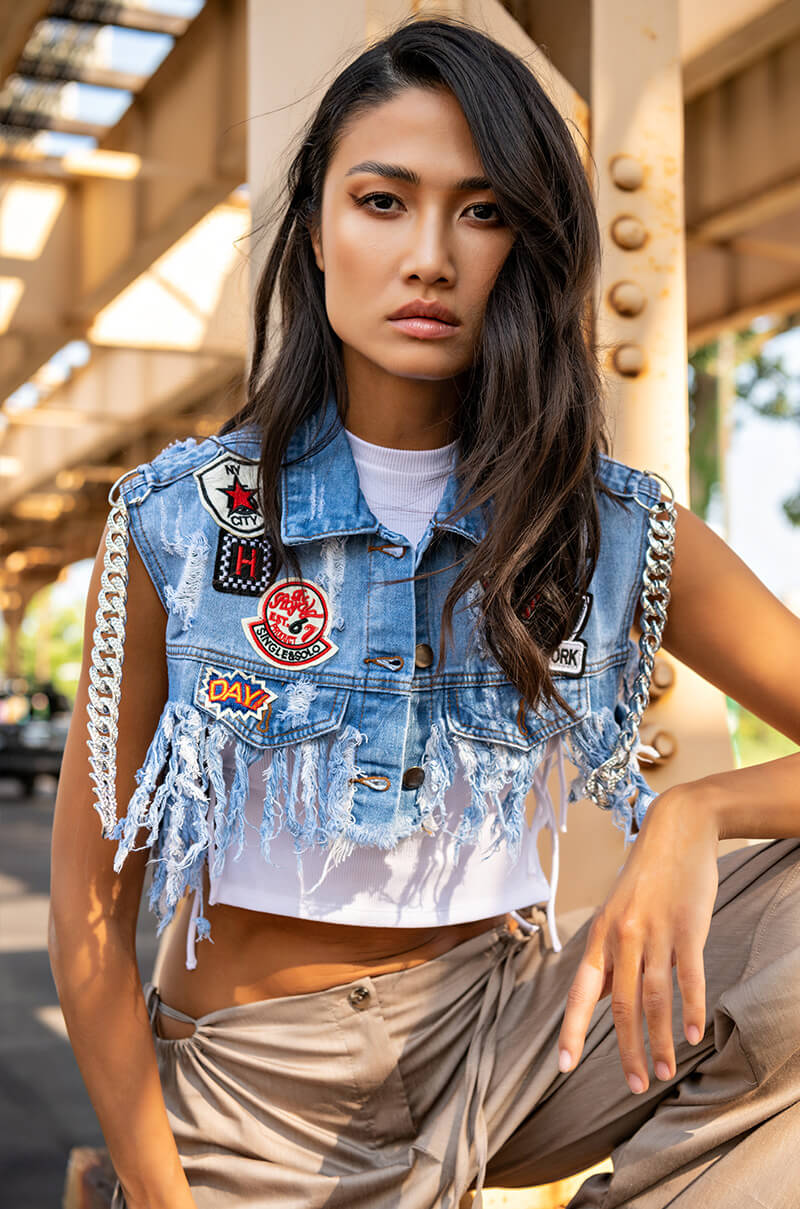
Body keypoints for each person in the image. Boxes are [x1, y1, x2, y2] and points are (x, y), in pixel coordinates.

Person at [48, 15, 800, 1209]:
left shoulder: (603, 524)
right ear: (315, 230)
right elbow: (90, 919)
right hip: (257, 1093)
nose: (430, 257)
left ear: (528, 246)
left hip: (512, 1039)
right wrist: (157, 1192)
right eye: (382, 202)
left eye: (483, 211)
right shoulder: (176, 523)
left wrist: (695, 814)